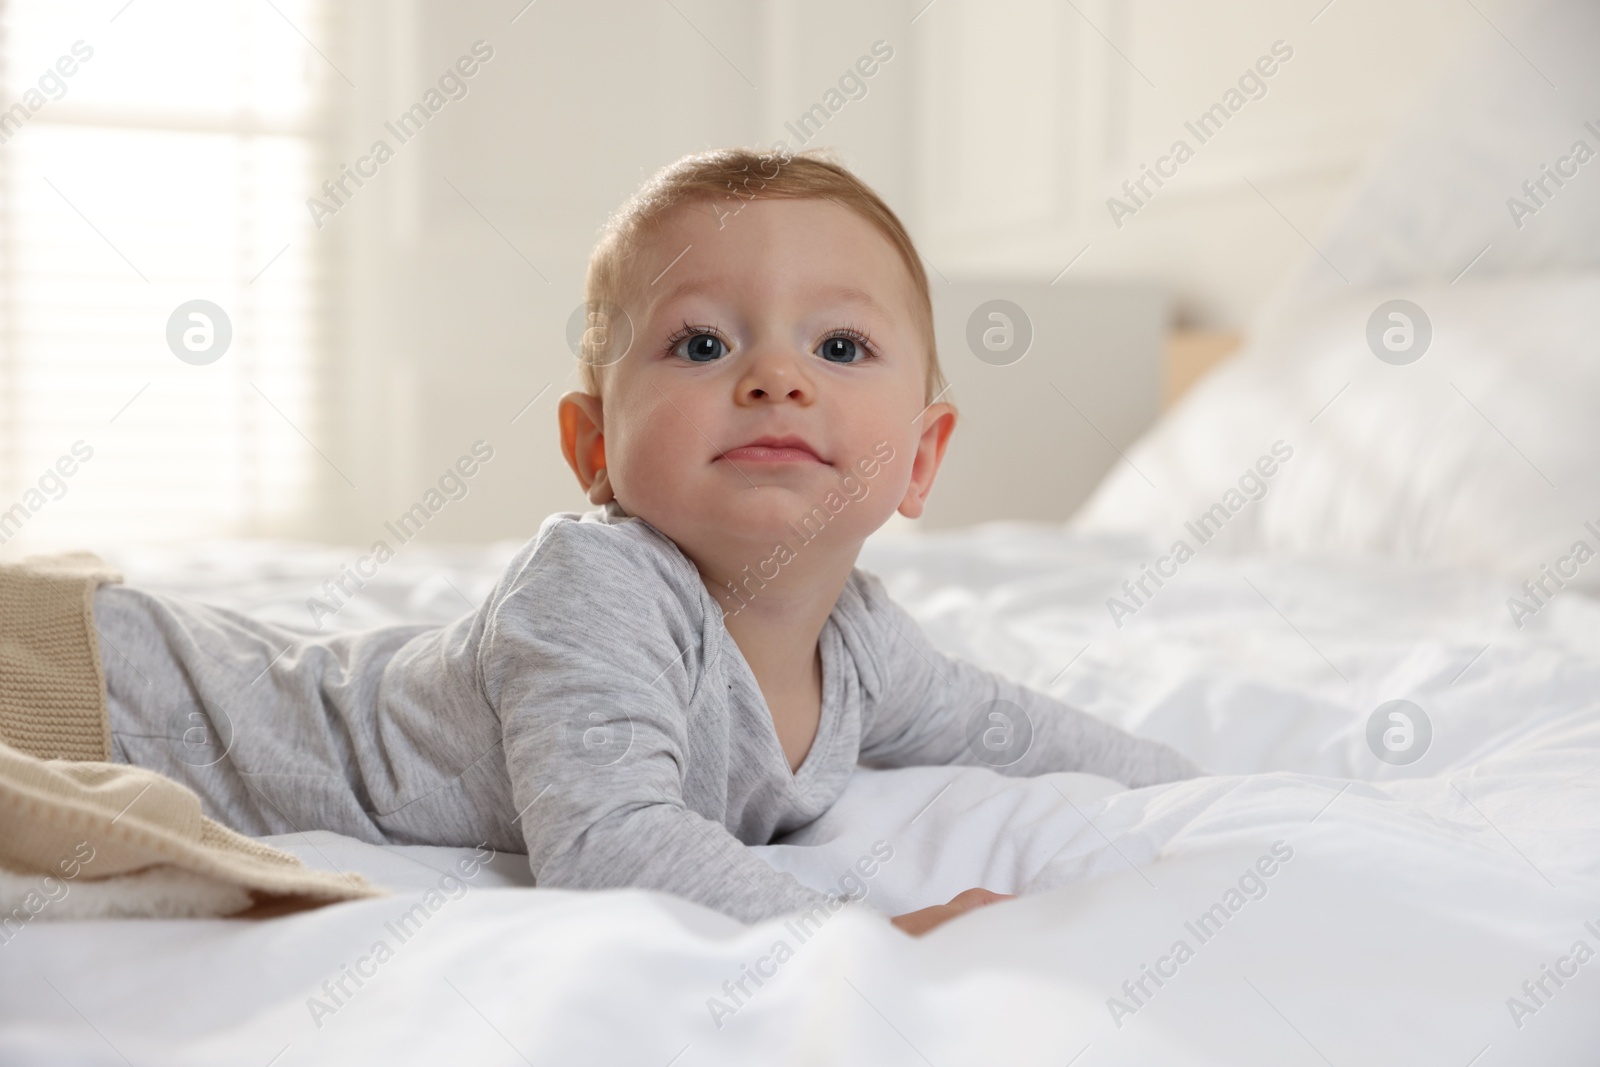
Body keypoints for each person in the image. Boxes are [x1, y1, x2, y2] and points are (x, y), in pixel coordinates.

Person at [93, 146, 1202, 935]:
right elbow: (610, 845)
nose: (776, 374)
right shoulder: (594, 585)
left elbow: (1014, 727)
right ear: (595, 449)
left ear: (919, 458)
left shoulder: (865, 643)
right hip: (114, 692)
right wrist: (880, 924)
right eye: (702, 340)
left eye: (842, 342)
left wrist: (1200, 793)